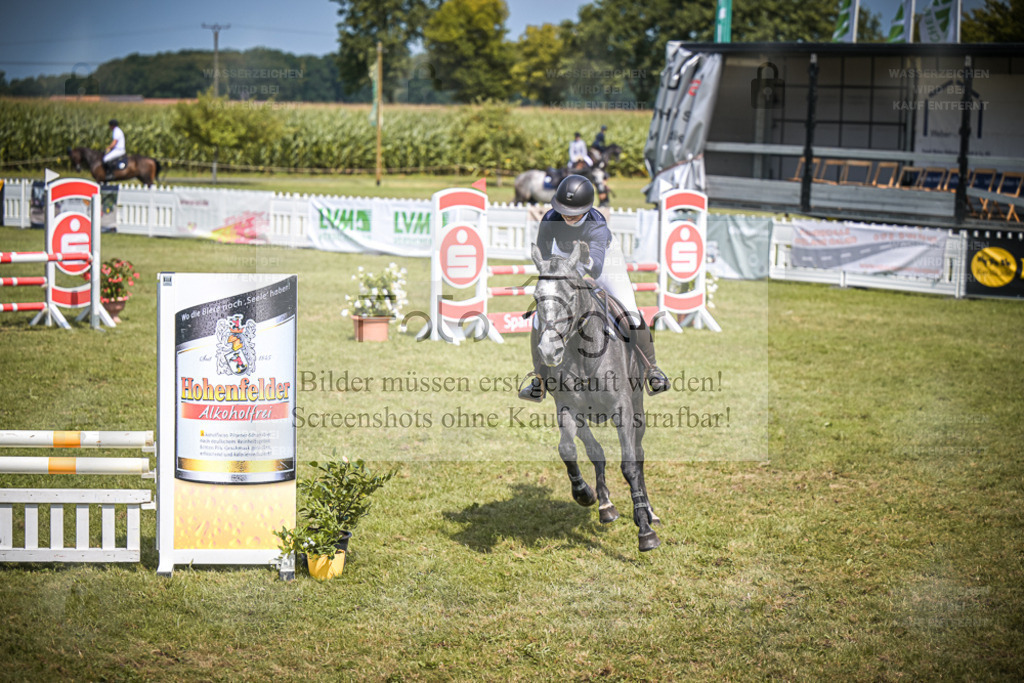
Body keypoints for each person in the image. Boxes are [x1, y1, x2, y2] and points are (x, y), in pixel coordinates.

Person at [519, 174, 669, 402]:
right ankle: (539, 379)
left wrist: (585, 258)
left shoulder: (596, 223)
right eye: (564, 210)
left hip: (605, 261)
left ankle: (652, 369)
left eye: (574, 212)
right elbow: (545, 256)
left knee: (629, 312)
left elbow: (596, 269)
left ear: (586, 208)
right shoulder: (550, 219)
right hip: (565, 259)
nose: (567, 216)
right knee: (540, 319)